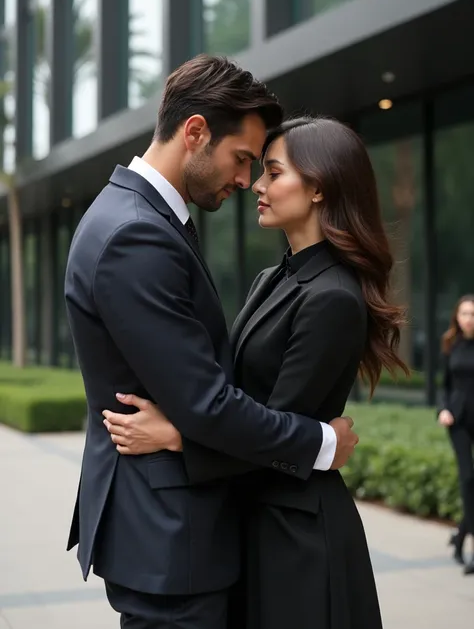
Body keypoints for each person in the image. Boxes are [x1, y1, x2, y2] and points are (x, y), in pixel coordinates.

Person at [65, 57, 359, 629]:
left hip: (176, 536)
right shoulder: (137, 234)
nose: (246, 182)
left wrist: (180, 432)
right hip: (173, 542)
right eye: (244, 160)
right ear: (195, 132)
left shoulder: (145, 219)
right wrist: (319, 443)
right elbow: (208, 405)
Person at [104, 116, 409, 628]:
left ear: (318, 188)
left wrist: (178, 438)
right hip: (253, 521)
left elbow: (277, 433)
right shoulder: (274, 277)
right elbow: (239, 397)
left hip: (296, 536)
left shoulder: (333, 297)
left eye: (272, 172)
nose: (256, 186)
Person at [438, 295, 474, 575]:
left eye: (473, 314)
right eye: (464, 313)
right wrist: (443, 409)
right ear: (457, 317)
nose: (469, 318)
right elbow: (445, 385)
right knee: (467, 478)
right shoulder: (451, 344)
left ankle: (461, 536)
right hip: (459, 420)